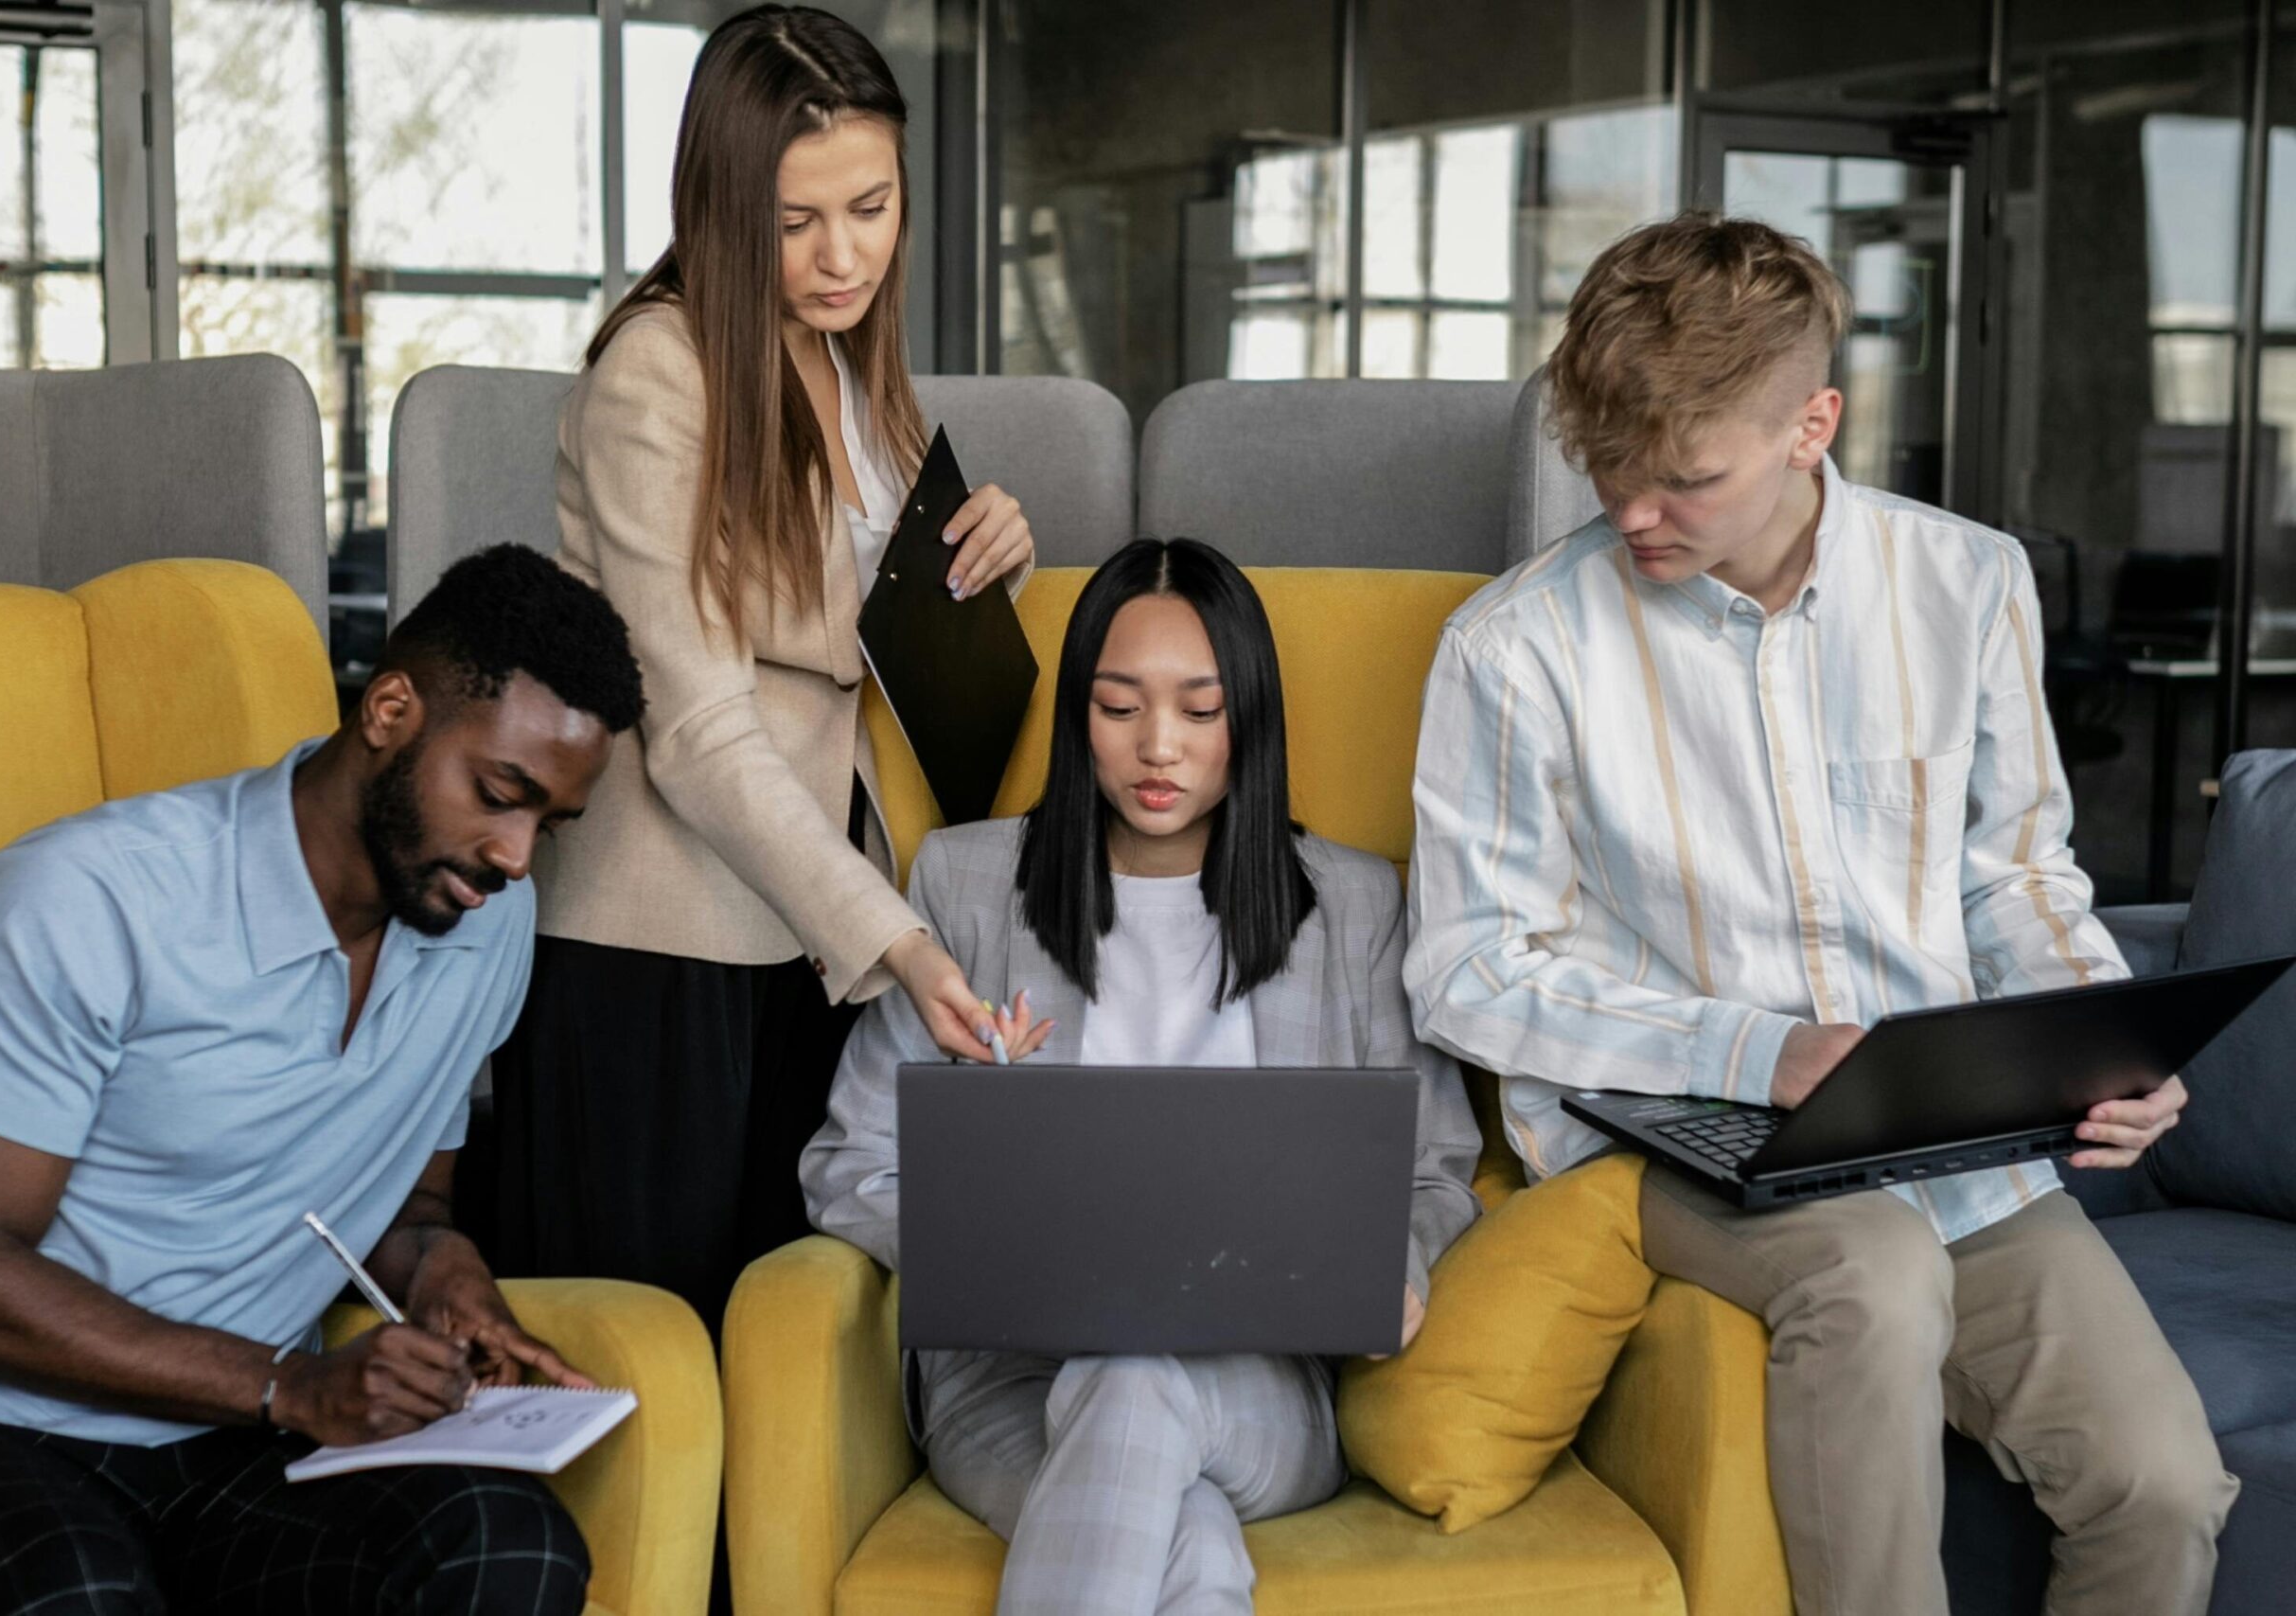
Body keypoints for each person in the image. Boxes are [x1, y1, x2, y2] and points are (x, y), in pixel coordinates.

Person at [1404, 212, 2233, 1616]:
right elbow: (1465, 966)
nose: (1630, 508)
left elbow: (2014, 874)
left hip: (1957, 1139)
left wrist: (2108, 1039)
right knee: (1879, 1273)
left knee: (2159, 1487)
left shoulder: (1968, 584)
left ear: (1813, 425)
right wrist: (1753, 1049)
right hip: (1684, 1132)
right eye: (1604, 465)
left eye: (1683, 475)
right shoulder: (1515, 644)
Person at [0, 545, 647, 1616]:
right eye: (499, 794)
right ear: (389, 710)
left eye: (548, 825)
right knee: (76, 1592)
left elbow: (403, 1201)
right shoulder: (92, 897)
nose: (516, 856)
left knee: (503, 1546)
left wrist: (444, 1278)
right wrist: (291, 1385)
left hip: (239, 1441)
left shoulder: (481, 919)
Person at [805, 538, 1481, 1616]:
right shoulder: (966, 887)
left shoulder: (1352, 906)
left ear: (1247, 717)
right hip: (1008, 1383)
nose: (1156, 746)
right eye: (1119, 709)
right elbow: (848, 1167)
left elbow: (1439, 1166)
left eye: (1198, 712)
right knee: (1186, 1545)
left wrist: (1394, 1271)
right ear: (1078, 715)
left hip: (1262, 1386)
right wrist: (988, 1225)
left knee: (1140, 1381)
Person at [487, 3, 1035, 1334]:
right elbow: (701, 729)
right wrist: (902, 940)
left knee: (783, 1347)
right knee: (657, 1350)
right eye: (797, 223)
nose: (843, 254)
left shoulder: (853, 363)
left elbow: (859, 614)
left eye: (871, 205)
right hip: (661, 944)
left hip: (804, 924)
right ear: (725, 204)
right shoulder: (658, 374)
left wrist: (987, 555)